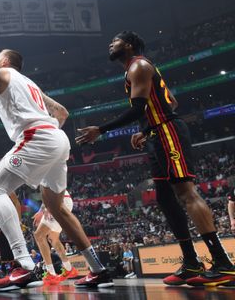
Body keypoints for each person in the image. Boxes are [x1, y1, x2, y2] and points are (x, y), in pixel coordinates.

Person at [0, 49, 113, 290]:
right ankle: (98, 269)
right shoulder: (30, 84)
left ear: (6, 61)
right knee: (57, 209)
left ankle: (25, 266)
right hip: (58, 139)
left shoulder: (2, 72)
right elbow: (62, 113)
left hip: (37, 138)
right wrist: (48, 139)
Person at [76, 31, 235, 287]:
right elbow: (171, 100)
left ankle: (223, 263)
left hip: (168, 132)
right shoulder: (135, 69)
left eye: (114, 41)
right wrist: (145, 129)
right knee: (164, 198)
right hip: (155, 134)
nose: (110, 44)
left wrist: (101, 130)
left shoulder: (139, 65)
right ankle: (192, 262)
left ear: (128, 45)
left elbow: (139, 108)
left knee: (186, 193)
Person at [32, 191, 78, 284]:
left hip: (57, 200)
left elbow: (50, 189)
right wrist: (41, 210)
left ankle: (51, 274)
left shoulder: (39, 177)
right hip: (61, 200)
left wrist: (46, 208)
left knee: (39, 235)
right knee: (53, 238)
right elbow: (46, 192)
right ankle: (69, 269)